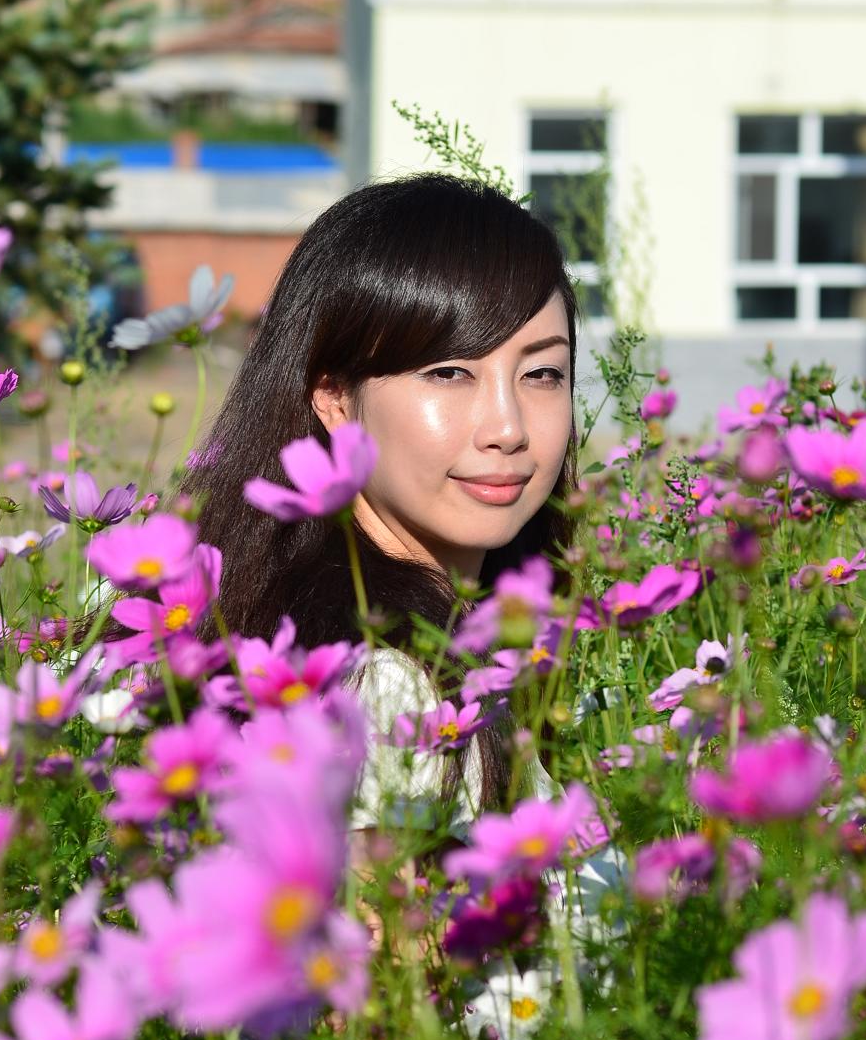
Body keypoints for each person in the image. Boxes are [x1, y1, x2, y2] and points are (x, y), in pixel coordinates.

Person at [188, 172, 577, 842]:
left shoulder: (323, 629)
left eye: (541, 373)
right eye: (449, 372)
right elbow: (397, 943)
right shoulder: (385, 690)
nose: (507, 427)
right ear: (333, 397)